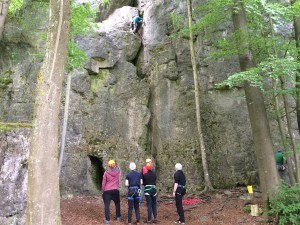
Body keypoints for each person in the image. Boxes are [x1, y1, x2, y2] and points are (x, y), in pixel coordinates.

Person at [102, 160, 121, 224]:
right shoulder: (118, 171)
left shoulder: (106, 173)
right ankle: (118, 217)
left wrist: (103, 191)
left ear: (109, 166)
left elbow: (103, 183)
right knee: (117, 204)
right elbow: (118, 169)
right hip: (115, 190)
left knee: (107, 206)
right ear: (114, 164)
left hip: (107, 191)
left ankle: (107, 220)